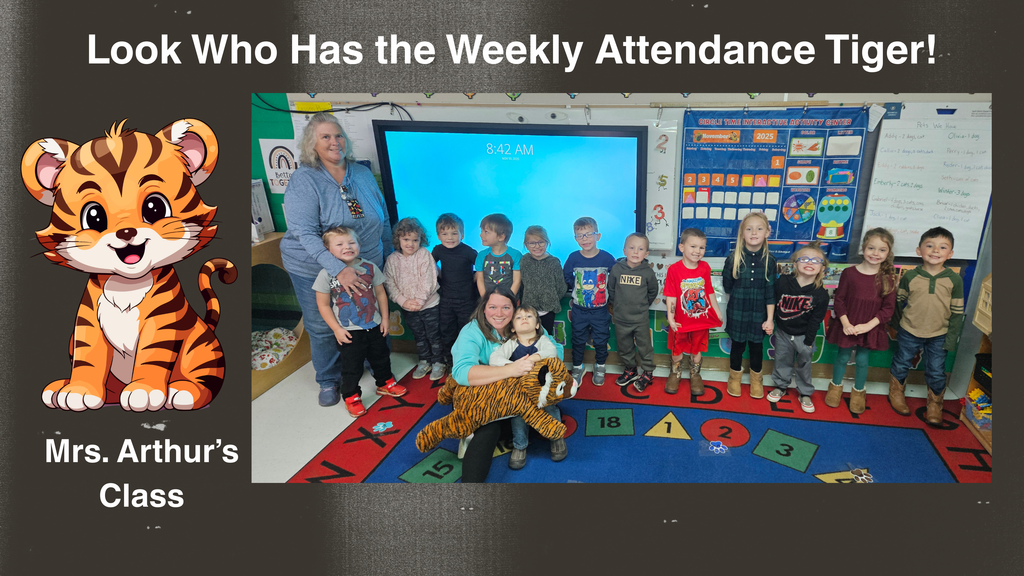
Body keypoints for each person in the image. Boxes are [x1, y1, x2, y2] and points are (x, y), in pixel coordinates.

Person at [280, 112, 393, 407]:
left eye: (338, 135)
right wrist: (338, 270)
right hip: (315, 266)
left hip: (364, 264)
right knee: (322, 324)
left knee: (367, 316)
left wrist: (389, 257)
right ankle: (329, 379)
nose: (334, 142)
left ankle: (369, 365)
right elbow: (304, 233)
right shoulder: (305, 180)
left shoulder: (363, 174)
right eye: (325, 137)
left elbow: (382, 221)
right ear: (312, 145)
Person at [451, 285, 564, 482]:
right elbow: (461, 372)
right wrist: (510, 370)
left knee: (548, 402)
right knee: (490, 428)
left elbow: (555, 349)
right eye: (493, 307)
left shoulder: (525, 322)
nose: (499, 313)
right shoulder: (471, 331)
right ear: (483, 308)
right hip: (488, 393)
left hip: (524, 390)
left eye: (506, 307)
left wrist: (537, 364)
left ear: (515, 309)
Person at [313, 227, 406, 418]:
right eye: (339, 244)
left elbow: (380, 293)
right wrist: (336, 329)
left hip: (374, 324)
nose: (347, 247)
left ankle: (384, 384)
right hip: (348, 330)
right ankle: (351, 396)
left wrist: (385, 319)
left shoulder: (371, 267)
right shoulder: (326, 274)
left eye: (351, 242)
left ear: (359, 245)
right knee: (351, 365)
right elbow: (323, 305)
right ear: (328, 250)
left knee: (381, 356)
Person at [889, 227, 963, 425]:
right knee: (902, 361)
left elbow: (957, 312)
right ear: (918, 250)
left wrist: (951, 338)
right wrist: (895, 326)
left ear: (950, 254)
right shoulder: (910, 277)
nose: (935, 250)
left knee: (936, 369)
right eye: (929, 245)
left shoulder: (954, 279)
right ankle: (896, 393)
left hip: (940, 333)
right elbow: (898, 303)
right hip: (909, 330)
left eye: (942, 247)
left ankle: (935, 404)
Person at [824, 228, 898, 414]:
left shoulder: (888, 278)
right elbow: (839, 300)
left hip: (870, 326)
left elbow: (888, 309)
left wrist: (868, 326)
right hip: (847, 324)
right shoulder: (850, 274)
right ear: (863, 248)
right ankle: (835, 388)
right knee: (842, 356)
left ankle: (858, 392)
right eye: (871, 248)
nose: (875, 253)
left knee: (863, 359)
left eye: (882, 250)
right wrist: (846, 324)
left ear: (888, 253)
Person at [488, 305, 564, 469]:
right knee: (518, 414)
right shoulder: (512, 343)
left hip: (542, 390)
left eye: (529, 316)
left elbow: (552, 352)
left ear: (537, 325)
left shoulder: (542, 340)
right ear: (513, 328)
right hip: (519, 391)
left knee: (550, 408)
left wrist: (534, 358)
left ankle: (556, 437)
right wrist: (514, 365)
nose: (524, 319)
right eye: (519, 317)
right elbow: (494, 358)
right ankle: (520, 445)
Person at [767, 242, 830, 413]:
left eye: (816, 261)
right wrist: (770, 321)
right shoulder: (783, 283)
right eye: (804, 259)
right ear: (795, 264)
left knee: (804, 364)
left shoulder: (820, 294)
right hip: (783, 333)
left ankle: (804, 392)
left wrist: (809, 341)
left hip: (804, 336)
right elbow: (771, 302)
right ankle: (781, 386)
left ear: (822, 268)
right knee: (782, 361)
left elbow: (816, 320)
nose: (810, 263)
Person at [722, 212, 777, 399]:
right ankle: (734, 378)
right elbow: (728, 286)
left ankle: (756, 380)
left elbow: (770, 292)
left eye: (759, 228)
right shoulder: (733, 259)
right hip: (738, 311)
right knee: (737, 346)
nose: (754, 232)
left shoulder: (770, 261)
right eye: (749, 229)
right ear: (742, 234)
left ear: (767, 232)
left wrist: (770, 319)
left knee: (756, 347)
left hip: (759, 314)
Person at [384, 217, 445, 381]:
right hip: (408, 308)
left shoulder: (424, 254)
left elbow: (429, 280)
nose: (410, 244)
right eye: (406, 239)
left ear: (421, 240)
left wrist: (419, 301)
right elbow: (389, 282)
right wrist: (403, 301)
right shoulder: (392, 260)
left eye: (415, 240)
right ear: (398, 239)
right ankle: (424, 361)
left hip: (430, 304)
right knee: (419, 335)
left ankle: (439, 361)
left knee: (434, 335)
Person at [663, 229, 723, 395]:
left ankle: (695, 374)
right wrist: (671, 317)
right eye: (693, 246)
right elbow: (671, 295)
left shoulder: (704, 267)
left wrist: (717, 311)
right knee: (677, 349)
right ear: (682, 247)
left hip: (700, 320)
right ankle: (675, 373)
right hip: (681, 321)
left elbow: (709, 291)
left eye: (702, 247)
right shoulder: (674, 270)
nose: (698, 251)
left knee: (696, 349)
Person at [563, 217, 616, 385]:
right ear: (575, 239)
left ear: (598, 236)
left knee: (601, 340)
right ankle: (578, 367)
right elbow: (566, 276)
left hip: (600, 310)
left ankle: (600, 365)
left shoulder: (607, 258)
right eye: (580, 235)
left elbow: (614, 279)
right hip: (579, 309)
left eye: (588, 234)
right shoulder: (573, 258)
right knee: (577, 339)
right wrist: (576, 292)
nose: (584, 239)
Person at [607, 233, 659, 392]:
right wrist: (618, 306)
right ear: (624, 250)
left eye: (641, 249)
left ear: (646, 254)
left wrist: (642, 305)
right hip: (621, 318)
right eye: (632, 248)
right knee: (624, 346)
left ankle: (648, 372)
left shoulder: (647, 272)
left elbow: (652, 292)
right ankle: (631, 369)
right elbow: (611, 290)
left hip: (640, 319)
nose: (636, 252)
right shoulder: (616, 269)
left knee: (644, 346)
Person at [432, 213, 479, 370]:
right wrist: (440, 274)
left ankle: (467, 362)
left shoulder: (468, 251)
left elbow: (480, 266)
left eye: (454, 233)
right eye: (444, 234)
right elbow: (430, 264)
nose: (449, 237)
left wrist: (474, 279)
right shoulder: (438, 250)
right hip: (446, 300)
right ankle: (451, 363)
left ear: (462, 234)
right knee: (447, 331)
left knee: (465, 331)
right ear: (439, 235)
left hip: (466, 300)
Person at [519, 225, 565, 338]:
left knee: (545, 338)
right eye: (532, 243)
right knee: (528, 339)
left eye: (541, 242)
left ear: (547, 242)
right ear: (526, 245)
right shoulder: (525, 261)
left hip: (548, 311)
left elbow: (561, 286)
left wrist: (550, 299)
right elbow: (522, 283)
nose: (537, 246)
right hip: (528, 311)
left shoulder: (554, 262)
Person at [475, 213, 521, 296]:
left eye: (486, 232)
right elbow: (480, 280)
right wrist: (486, 300)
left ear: (501, 237)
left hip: (509, 301)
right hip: (488, 301)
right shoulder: (481, 256)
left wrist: (508, 299)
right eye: (481, 231)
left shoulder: (516, 255)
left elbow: (516, 281)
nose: (481, 235)